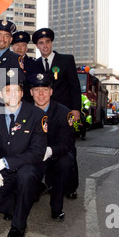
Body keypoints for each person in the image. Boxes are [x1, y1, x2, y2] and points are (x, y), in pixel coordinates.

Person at [0, 71, 47, 237]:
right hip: (2, 172)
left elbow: (37, 153)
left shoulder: (37, 116)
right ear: (1, 94)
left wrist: (5, 162)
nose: (13, 94)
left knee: (26, 175)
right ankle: (23, 199)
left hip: (26, 168)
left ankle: (18, 224)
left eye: (17, 90)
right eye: (8, 90)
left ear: (22, 93)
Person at [32, 28, 81, 199]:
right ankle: (53, 184)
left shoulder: (66, 60)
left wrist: (76, 109)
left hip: (64, 113)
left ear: (51, 43)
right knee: (47, 148)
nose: (44, 45)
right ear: (37, 46)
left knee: (68, 149)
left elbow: (75, 86)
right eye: (41, 43)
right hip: (43, 113)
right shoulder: (35, 64)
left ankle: (71, 186)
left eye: (47, 42)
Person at [28, 73, 74, 220]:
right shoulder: (24, 112)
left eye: (45, 90)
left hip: (54, 154)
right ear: (31, 92)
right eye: (36, 90)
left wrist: (49, 151)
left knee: (65, 163)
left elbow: (66, 144)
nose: (41, 94)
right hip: (33, 154)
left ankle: (56, 208)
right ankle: (31, 193)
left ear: (51, 92)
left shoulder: (64, 113)